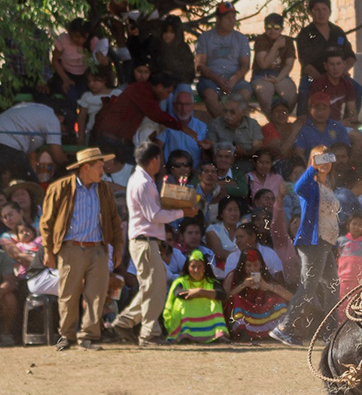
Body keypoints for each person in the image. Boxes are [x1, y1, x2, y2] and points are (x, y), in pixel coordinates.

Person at [108, 142, 196, 345]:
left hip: (144, 241)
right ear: (154, 160)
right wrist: (183, 212)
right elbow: (154, 215)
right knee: (153, 288)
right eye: (159, 159)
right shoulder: (144, 183)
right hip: (145, 241)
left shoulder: (141, 179)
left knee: (152, 287)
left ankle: (127, 322)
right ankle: (148, 333)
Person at [39, 148, 124, 351]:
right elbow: (47, 222)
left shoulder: (104, 189)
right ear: (87, 167)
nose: (103, 170)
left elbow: (114, 220)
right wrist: (48, 250)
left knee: (97, 294)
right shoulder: (60, 188)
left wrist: (118, 248)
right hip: (71, 248)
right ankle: (66, 336)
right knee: (69, 294)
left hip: (98, 248)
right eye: (100, 166)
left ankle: (89, 336)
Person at [270, 146, 341, 346]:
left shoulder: (327, 185)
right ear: (313, 162)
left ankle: (330, 334)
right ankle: (284, 327)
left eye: (327, 158)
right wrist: (313, 167)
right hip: (312, 243)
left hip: (325, 243)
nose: (324, 162)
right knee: (308, 287)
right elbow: (299, 187)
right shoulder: (311, 185)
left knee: (333, 287)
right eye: (319, 159)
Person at [93, 71, 193, 163]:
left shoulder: (142, 90)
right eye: (167, 92)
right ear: (159, 86)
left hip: (118, 142)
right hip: (112, 142)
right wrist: (182, 127)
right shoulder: (141, 91)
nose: (167, 96)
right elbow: (157, 115)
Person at [296, 0, 360, 116]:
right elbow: (306, 64)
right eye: (317, 10)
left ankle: (348, 124)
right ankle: (303, 126)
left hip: (337, 75)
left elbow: (350, 56)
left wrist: (342, 71)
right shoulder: (306, 34)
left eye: (324, 9)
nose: (321, 13)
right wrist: (324, 81)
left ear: (330, 11)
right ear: (310, 12)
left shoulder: (338, 32)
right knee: (305, 92)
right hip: (313, 76)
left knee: (357, 89)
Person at [195, 2, 252, 118]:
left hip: (234, 80)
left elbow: (245, 65)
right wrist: (218, 80)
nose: (232, 21)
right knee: (210, 95)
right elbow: (200, 65)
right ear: (218, 19)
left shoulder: (242, 39)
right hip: (211, 79)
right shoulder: (205, 38)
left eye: (233, 18)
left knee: (245, 93)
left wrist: (233, 80)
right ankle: (225, 125)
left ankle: (230, 125)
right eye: (228, 18)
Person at [224, 247, 291, 340]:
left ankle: (275, 331)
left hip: (262, 315)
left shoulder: (265, 277)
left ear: (261, 265)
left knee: (278, 300)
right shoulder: (233, 276)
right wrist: (242, 285)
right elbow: (225, 299)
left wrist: (268, 286)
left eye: (256, 265)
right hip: (244, 316)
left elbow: (290, 297)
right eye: (248, 265)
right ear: (243, 266)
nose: (252, 269)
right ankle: (242, 333)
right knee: (236, 299)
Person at [163, 249, 229, 343]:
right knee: (182, 302)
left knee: (215, 301)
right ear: (187, 267)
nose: (196, 270)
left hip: (207, 316)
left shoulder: (211, 282)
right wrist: (203, 294)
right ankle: (185, 334)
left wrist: (200, 291)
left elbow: (222, 295)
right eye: (193, 266)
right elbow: (179, 293)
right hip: (185, 314)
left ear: (205, 268)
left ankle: (217, 334)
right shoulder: (181, 281)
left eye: (199, 266)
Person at [0, 102, 67, 182]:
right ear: (61, 119)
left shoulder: (38, 109)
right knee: (29, 183)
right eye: (63, 129)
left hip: (6, 142)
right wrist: (70, 165)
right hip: (7, 144)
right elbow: (57, 155)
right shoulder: (53, 119)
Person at [251, 13, 298, 112]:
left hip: (281, 75)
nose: (272, 31)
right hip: (261, 75)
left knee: (290, 95)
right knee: (265, 92)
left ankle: (282, 121)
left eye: (276, 27)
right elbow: (264, 64)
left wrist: (278, 79)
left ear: (281, 29)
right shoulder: (261, 40)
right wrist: (275, 46)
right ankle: (273, 123)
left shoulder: (288, 41)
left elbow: (289, 64)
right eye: (269, 27)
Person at [159, 86, 209, 169]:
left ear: (193, 106)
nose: (183, 108)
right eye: (180, 104)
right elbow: (158, 146)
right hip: (170, 173)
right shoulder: (167, 124)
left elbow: (205, 154)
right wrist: (162, 170)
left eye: (187, 104)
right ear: (174, 105)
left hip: (194, 174)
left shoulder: (202, 127)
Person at [335, 213, 362, 314]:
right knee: (342, 307)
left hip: (360, 283)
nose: (357, 227)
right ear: (348, 226)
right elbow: (335, 260)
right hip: (343, 281)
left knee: (357, 307)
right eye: (354, 224)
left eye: (360, 225)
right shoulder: (340, 242)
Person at [293, 92, 351, 159]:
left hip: (337, 165)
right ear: (310, 109)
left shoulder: (338, 127)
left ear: (329, 109)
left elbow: (347, 151)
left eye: (324, 108)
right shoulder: (303, 129)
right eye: (317, 108)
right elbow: (299, 153)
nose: (321, 112)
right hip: (311, 166)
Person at [205, 94, 263, 159]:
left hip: (247, 162)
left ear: (243, 112)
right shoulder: (215, 124)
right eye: (225, 111)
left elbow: (258, 147)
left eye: (232, 112)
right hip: (222, 163)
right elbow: (213, 149)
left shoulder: (252, 124)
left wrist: (246, 154)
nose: (227, 115)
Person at [77, 67, 122, 141]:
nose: (91, 84)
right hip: (93, 132)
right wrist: (81, 136)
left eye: (95, 81)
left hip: (113, 133)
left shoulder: (117, 93)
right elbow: (82, 118)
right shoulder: (87, 96)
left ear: (104, 80)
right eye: (89, 81)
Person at [149, 15, 195, 86]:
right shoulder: (156, 47)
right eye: (165, 31)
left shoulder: (184, 48)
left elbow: (189, 74)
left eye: (171, 32)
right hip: (160, 85)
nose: (167, 35)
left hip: (180, 84)